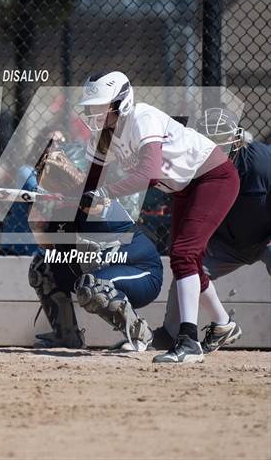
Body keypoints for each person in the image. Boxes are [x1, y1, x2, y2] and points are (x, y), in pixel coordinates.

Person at [77, 71, 241, 363]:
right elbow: (90, 180)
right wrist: (78, 196)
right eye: (92, 107)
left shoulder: (142, 117)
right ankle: (223, 325)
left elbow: (149, 174)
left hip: (213, 177)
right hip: (185, 188)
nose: (94, 112)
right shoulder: (103, 137)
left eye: (101, 106)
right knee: (186, 262)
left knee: (183, 255)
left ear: (121, 102)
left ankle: (189, 342)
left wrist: (105, 193)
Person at [155, 108, 271, 351]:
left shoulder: (261, 163)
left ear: (238, 140)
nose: (217, 149)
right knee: (186, 266)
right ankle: (173, 333)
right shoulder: (192, 168)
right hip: (223, 246)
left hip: (265, 239)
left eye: (223, 141)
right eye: (210, 142)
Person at [28, 143, 163, 351]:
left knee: (94, 286)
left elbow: (98, 207)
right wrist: (36, 226)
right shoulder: (62, 211)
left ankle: (140, 334)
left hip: (141, 272)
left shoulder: (102, 201)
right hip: (101, 271)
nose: (57, 180)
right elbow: (54, 247)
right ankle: (66, 335)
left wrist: (79, 186)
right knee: (43, 268)